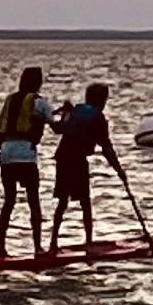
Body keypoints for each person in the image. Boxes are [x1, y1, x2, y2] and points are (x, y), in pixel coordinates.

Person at [46, 78, 128, 255]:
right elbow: (107, 148)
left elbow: (59, 128)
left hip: (63, 158)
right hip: (77, 160)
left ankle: (53, 243)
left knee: (62, 201)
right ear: (101, 101)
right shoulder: (98, 118)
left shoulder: (76, 111)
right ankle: (89, 242)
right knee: (85, 202)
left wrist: (63, 113)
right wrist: (119, 170)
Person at [0, 65, 52, 258]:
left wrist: (3, 141)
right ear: (38, 83)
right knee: (34, 202)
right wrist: (66, 115)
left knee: (9, 201)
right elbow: (56, 124)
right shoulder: (39, 102)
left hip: (7, 156)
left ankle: (0, 247)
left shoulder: (10, 100)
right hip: (26, 157)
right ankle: (38, 248)